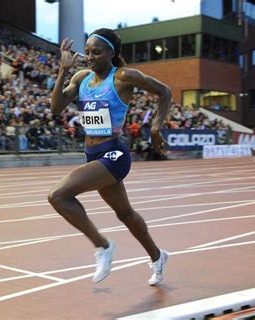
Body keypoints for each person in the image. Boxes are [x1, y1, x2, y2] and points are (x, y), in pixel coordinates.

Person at [48, 28, 172, 285]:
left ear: (111, 54)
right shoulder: (82, 77)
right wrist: (62, 70)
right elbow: (56, 107)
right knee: (125, 214)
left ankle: (103, 246)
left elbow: (165, 91)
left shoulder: (123, 77)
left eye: (97, 52)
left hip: (114, 153)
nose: (90, 56)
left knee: (58, 196)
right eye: (88, 51)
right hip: (92, 154)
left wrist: (157, 127)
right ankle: (158, 256)